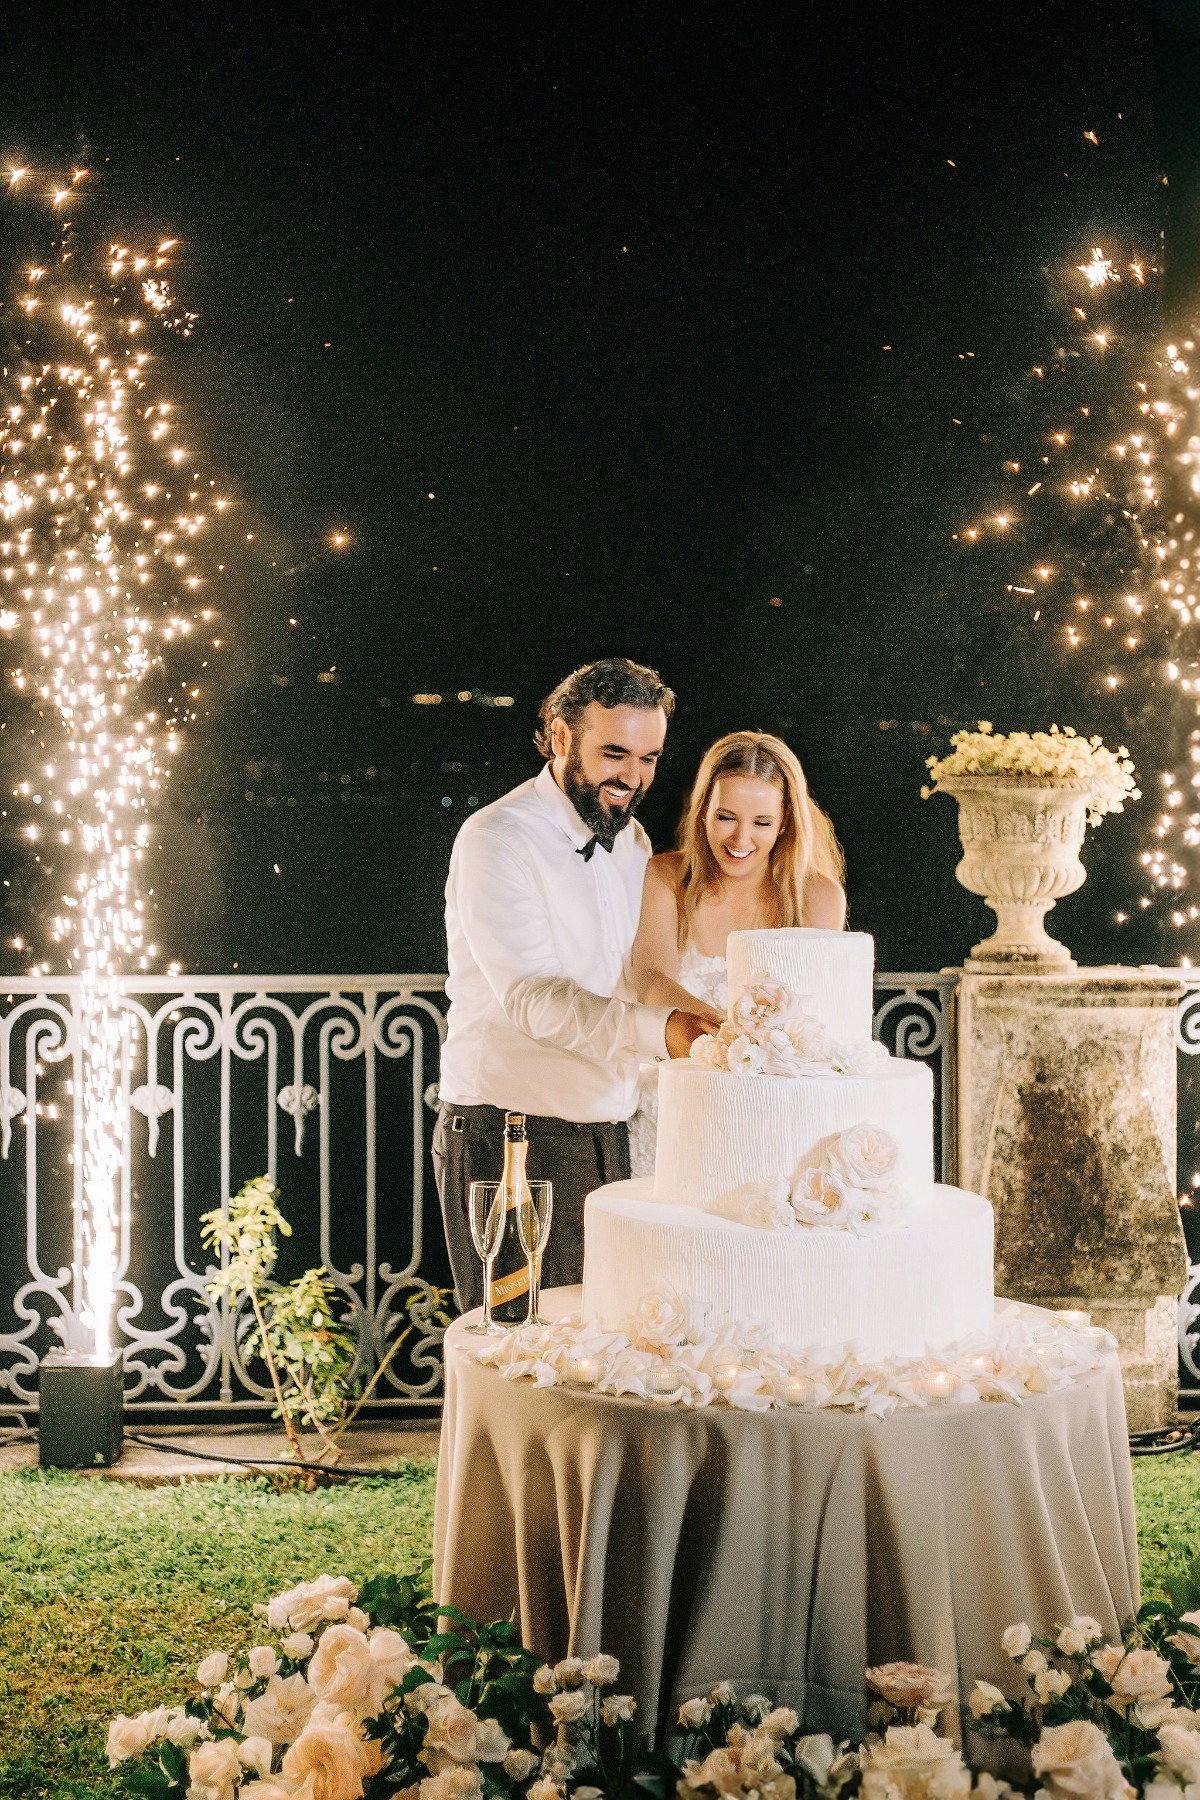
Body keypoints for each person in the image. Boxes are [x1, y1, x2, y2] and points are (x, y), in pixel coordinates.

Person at [435, 657, 714, 1309]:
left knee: (595, 1351)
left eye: (648, 758)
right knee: (520, 1355)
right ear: (561, 738)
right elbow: (534, 996)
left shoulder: (636, 842)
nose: (634, 777)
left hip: (607, 1137)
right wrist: (668, 1033)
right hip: (508, 1136)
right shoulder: (496, 838)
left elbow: (639, 977)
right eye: (615, 753)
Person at [626, 730, 847, 1176]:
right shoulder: (666, 875)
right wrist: (730, 1036)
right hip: (674, 1102)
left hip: (771, 1112)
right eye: (726, 816)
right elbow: (650, 979)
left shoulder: (819, 897)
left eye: (762, 823)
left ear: (784, 822)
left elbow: (822, 1017)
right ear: (703, 808)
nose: (740, 838)